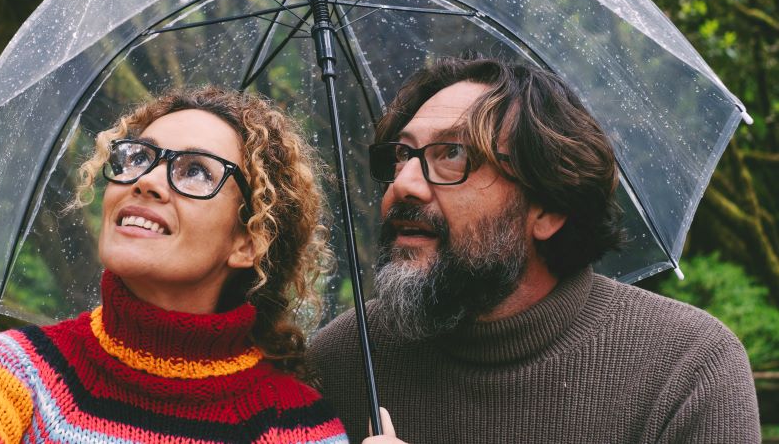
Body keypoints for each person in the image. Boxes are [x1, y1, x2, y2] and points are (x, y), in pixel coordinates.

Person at [0, 87, 349, 443]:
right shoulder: (21, 372)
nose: (145, 180)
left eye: (193, 171)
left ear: (249, 241)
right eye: (137, 156)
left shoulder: (300, 427)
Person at [306, 56, 760, 443]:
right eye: (402, 155)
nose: (402, 184)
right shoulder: (340, 362)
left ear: (548, 209)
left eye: (453, 155)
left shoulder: (686, 367)